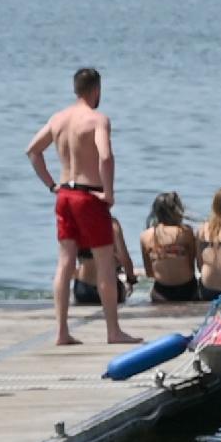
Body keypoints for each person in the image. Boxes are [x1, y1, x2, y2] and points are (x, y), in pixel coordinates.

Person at [27, 68, 134, 348]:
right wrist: (108, 193)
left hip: (64, 194)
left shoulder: (58, 119)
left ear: (76, 89)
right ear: (96, 90)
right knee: (104, 265)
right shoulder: (98, 120)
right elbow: (106, 156)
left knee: (65, 263)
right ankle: (113, 331)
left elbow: (33, 151)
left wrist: (51, 185)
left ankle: (61, 332)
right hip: (88, 196)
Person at [140, 193, 204, 302]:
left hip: (161, 291)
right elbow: (192, 265)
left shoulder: (145, 236)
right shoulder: (185, 232)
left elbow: (149, 273)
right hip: (188, 289)